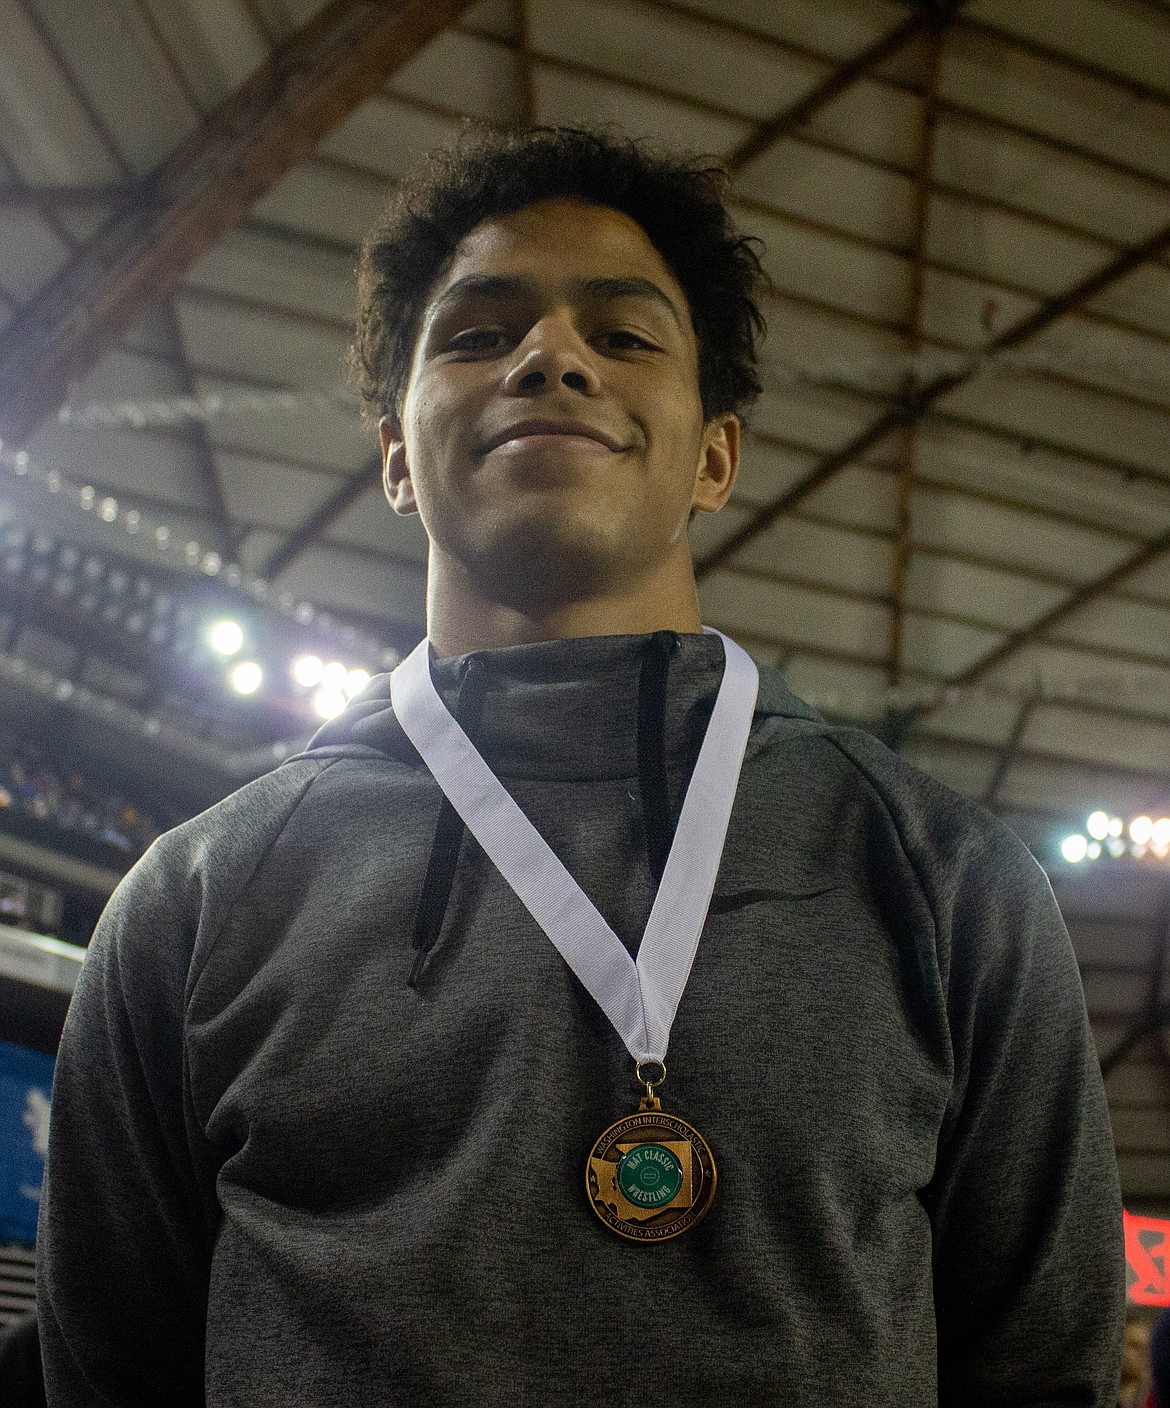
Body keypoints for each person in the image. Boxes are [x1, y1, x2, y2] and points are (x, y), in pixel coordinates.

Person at [37, 126, 1124, 1405]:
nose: (550, 357)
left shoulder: (945, 878)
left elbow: (1044, 1370)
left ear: (716, 453)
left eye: (622, 336)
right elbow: (110, 1375)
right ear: (397, 453)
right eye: (478, 334)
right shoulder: (198, 899)